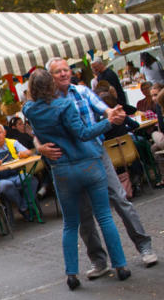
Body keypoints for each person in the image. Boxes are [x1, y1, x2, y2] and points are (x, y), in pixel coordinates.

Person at [41, 58, 157, 273]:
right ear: (50, 76)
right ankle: (99, 261)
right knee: (84, 213)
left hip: (96, 153)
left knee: (119, 199)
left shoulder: (82, 92)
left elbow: (103, 109)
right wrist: (40, 147)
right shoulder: (46, 102)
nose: (64, 74)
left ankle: (144, 246)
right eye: (58, 72)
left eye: (66, 70)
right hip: (72, 162)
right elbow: (39, 132)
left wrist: (113, 114)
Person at [24, 69, 130, 290]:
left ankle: (72, 274)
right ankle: (120, 265)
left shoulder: (29, 110)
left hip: (62, 169)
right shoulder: (64, 106)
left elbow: (34, 127)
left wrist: (40, 147)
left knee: (71, 224)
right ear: (51, 85)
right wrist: (108, 122)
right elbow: (83, 133)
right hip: (87, 162)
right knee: (104, 216)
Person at [0, 124, 38, 222]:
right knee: (6, 185)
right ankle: (24, 208)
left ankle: (25, 206)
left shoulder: (13, 143)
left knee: (31, 179)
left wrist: (23, 154)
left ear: (5, 133)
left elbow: (29, 152)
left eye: (0, 132)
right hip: (1, 179)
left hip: (17, 174)